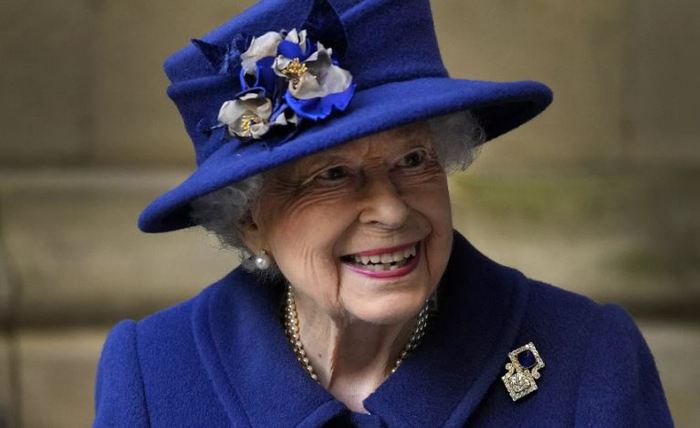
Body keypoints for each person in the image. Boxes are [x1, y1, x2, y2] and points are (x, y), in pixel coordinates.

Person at [93, 0, 673, 426]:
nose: (392, 210)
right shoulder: (154, 372)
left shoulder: (588, 358)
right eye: (332, 175)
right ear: (250, 220)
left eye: (414, 160)